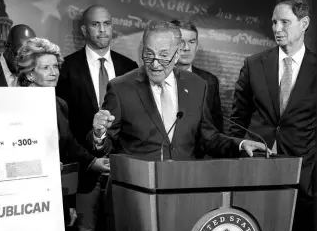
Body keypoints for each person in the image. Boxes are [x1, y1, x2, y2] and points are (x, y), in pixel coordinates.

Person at [229, 0, 315, 231]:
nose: (277, 28)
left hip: (302, 176)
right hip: (257, 172)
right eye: (274, 22)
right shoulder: (254, 64)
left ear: (303, 24)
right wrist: (241, 147)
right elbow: (236, 120)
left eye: (285, 22)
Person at [91, 21, 269, 163]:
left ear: (176, 55)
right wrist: (99, 134)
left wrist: (241, 144)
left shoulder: (197, 85)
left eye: (163, 55)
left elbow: (209, 138)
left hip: (183, 187)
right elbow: (105, 147)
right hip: (136, 190)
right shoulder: (121, 87)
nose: (154, 63)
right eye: (148, 54)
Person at [15, 36, 111, 231]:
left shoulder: (59, 104)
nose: (53, 72)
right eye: (45, 68)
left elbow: (69, 147)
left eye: (55, 66)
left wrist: (92, 162)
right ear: (30, 74)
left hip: (57, 194)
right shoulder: (15, 105)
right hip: (24, 197)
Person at [55, 4, 138, 231]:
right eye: (95, 25)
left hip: (121, 171)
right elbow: (63, 128)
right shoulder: (66, 68)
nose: (102, 30)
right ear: (84, 30)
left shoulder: (129, 67)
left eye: (107, 23)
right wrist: (90, 160)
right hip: (84, 172)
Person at [170, 19, 224, 134]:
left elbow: (216, 127)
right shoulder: (158, 77)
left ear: (197, 46)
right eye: (181, 42)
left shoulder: (210, 81)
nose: (186, 48)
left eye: (191, 42)